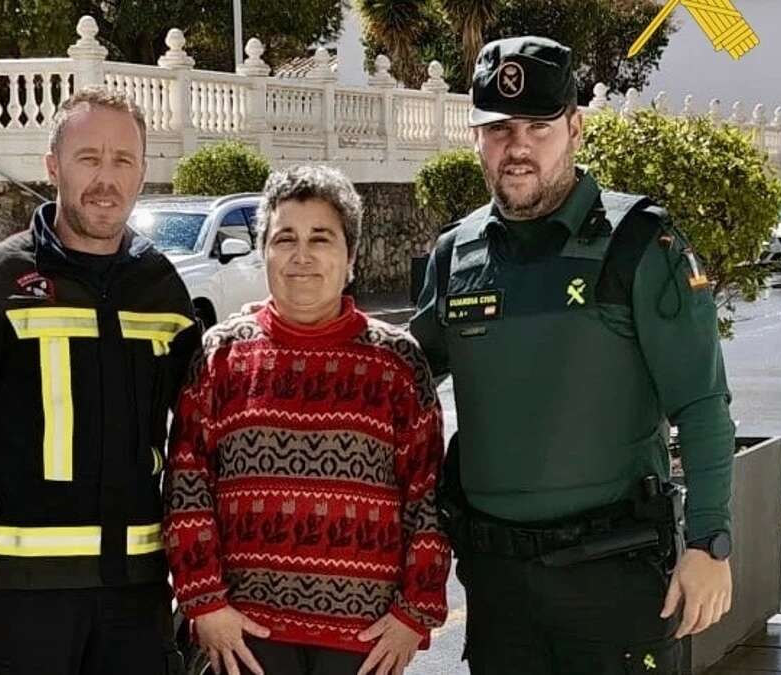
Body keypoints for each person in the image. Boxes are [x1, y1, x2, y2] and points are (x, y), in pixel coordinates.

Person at [410, 36, 735, 674]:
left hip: (614, 579)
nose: (519, 146)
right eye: (499, 128)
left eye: (539, 125)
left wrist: (709, 541)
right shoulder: (457, 254)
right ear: (476, 138)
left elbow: (701, 405)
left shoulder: (640, 244)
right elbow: (399, 379)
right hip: (499, 587)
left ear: (576, 128)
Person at [0, 87, 200, 675]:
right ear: (52, 167)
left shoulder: (160, 286)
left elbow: (201, 440)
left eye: (123, 160)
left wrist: (206, 582)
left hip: (138, 594)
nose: (106, 178)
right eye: (88, 157)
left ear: (143, 172)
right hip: (26, 600)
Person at [165, 165, 449, 675]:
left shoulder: (397, 363)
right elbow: (188, 487)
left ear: (351, 257)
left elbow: (427, 497)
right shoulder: (220, 356)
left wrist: (415, 612)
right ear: (263, 251)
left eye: (321, 238)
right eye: (284, 239)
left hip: (364, 641)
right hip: (245, 638)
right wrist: (205, 603)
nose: (302, 256)